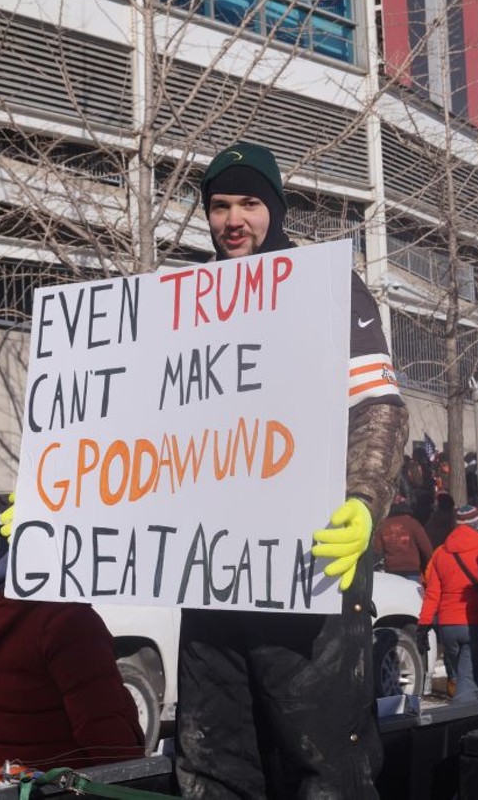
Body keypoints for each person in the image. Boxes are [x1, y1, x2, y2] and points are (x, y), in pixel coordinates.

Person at [174, 141, 410, 799]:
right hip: (214, 569)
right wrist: (69, 502)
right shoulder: (187, 299)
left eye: (249, 203)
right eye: (220, 206)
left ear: (272, 210)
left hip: (313, 566)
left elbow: (378, 407)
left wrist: (363, 501)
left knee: (321, 761)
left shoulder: (326, 284)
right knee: (211, 756)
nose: (233, 220)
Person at [0, 553, 146, 781]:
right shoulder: (69, 622)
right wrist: (133, 779)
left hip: (15, 784)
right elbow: (101, 723)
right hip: (69, 785)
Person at [418, 504, 478, 703]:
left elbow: (432, 594)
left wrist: (423, 624)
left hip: (447, 626)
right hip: (473, 624)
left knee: (461, 677)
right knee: (468, 682)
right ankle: (463, 725)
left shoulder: (441, 554)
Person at [372, 495, 433, 583]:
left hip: (391, 572)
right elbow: (427, 549)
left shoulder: (383, 525)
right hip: (412, 571)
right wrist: (429, 568)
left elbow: (377, 550)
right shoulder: (413, 523)